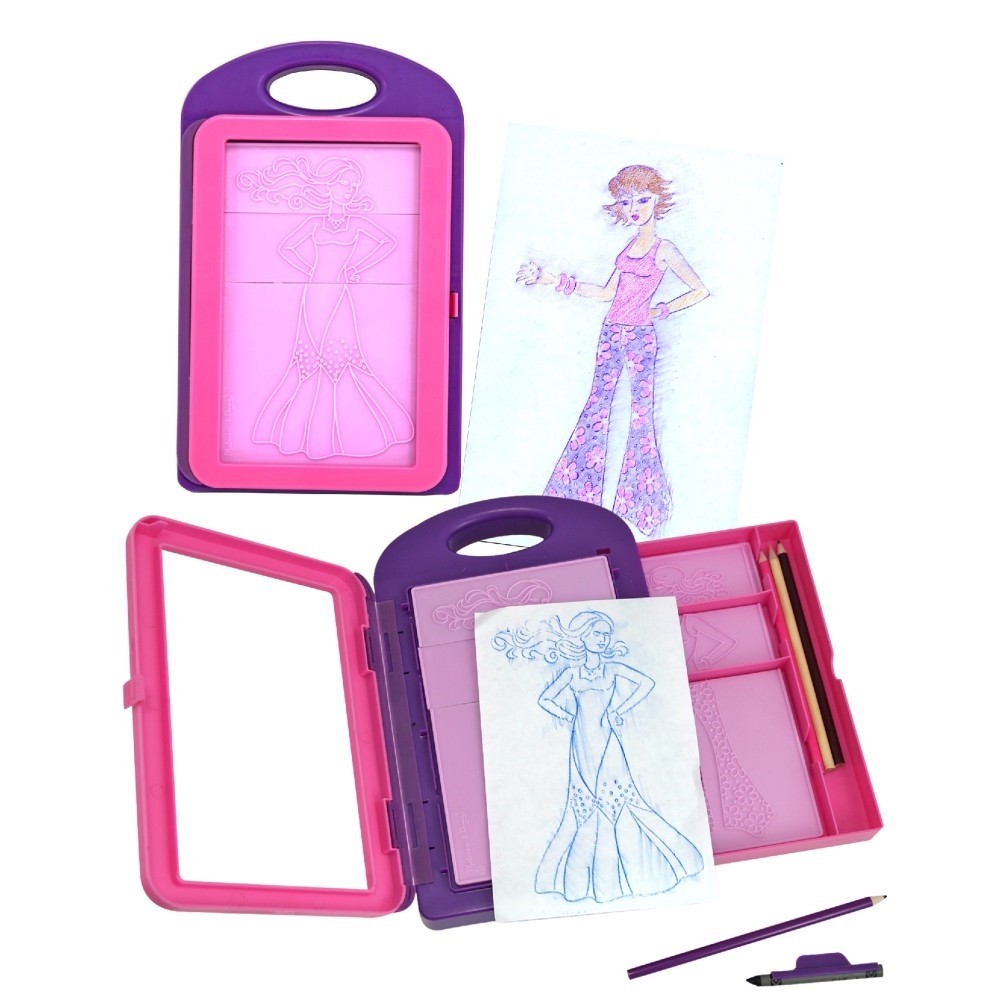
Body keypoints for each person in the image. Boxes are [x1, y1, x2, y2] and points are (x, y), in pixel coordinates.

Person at [517, 165, 708, 535]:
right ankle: (575, 496)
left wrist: (662, 310)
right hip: (610, 333)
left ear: (657, 201)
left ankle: (642, 506)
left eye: (642, 200)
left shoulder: (664, 250)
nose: (634, 208)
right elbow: (607, 293)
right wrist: (552, 280)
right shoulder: (628, 248)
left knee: (640, 415)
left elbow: (699, 290)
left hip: (640, 338)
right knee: (596, 407)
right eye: (626, 201)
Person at [493, 610, 704, 902]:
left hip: (607, 739)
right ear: (582, 637)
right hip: (581, 743)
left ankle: (636, 873)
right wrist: (568, 716)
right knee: (585, 802)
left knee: (618, 797)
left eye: (606, 634)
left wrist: (618, 709)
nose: (602, 639)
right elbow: (545, 699)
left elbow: (646, 683)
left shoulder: (613, 668)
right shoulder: (571, 673)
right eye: (596, 633)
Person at [238, 155, 414, 459]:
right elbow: (285, 248)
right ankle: (299, 437)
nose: (349, 190)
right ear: (328, 186)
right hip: (314, 293)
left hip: (338, 294)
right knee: (308, 358)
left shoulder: (357, 223)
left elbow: (388, 242)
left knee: (341, 354)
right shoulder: (313, 223)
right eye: (343, 183)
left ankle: (339, 439)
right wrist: (310, 270)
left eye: (353, 186)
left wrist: (356, 267)